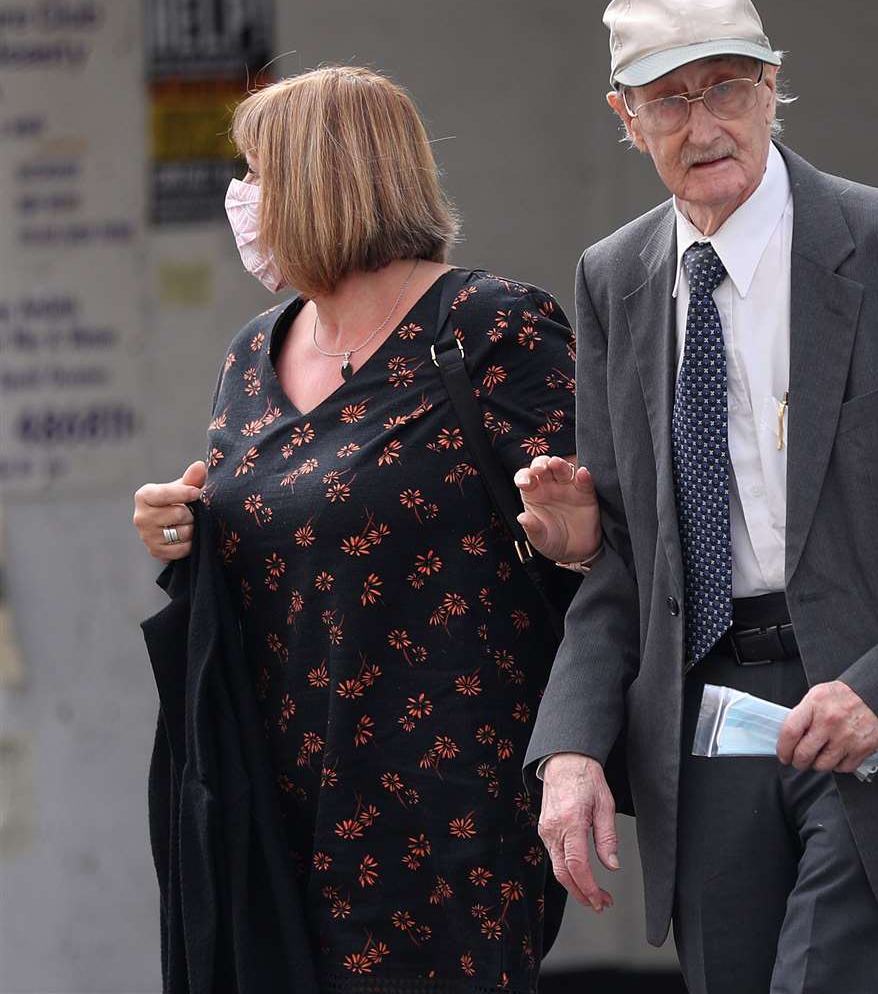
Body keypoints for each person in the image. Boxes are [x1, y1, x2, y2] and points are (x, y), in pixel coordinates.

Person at [518, 0, 878, 994]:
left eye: (727, 86)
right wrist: (574, 746)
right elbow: (626, 553)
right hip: (702, 714)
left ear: (773, 87)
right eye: (670, 97)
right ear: (623, 117)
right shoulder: (613, 279)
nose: (704, 121)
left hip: (876, 707)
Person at [131, 65, 577, 991]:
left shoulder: (495, 326)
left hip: (441, 812)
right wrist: (180, 531)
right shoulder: (255, 347)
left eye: (257, 175)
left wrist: (577, 531)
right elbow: (276, 529)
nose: (242, 204)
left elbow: (595, 553)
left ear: (324, 182)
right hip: (272, 800)